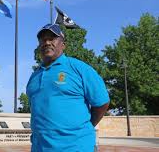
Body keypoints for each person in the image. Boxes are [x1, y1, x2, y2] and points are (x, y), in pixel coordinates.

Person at [26, 24, 110, 152]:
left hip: (77, 147)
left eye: (52, 38)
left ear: (63, 44)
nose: (47, 42)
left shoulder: (79, 68)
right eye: (43, 40)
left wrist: (85, 127)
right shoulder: (34, 76)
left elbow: (102, 103)